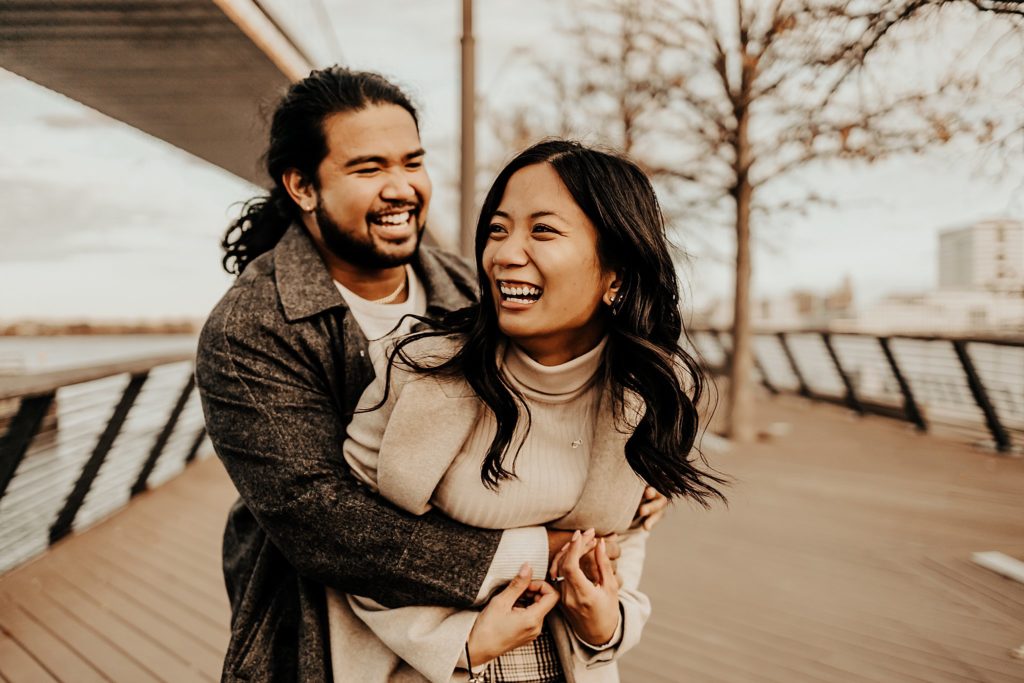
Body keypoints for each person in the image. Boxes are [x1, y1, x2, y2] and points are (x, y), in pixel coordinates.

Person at [195, 67, 668, 682]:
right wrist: (544, 553)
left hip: (523, 635)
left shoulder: (473, 288)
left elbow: (565, 407)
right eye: (368, 169)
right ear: (303, 187)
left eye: (412, 162)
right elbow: (325, 523)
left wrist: (635, 480)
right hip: (320, 629)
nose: (401, 188)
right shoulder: (250, 328)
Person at [326, 139, 727, 682]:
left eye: (542, 230)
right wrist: (459, 642)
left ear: (617, 273)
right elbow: (350, 542)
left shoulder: (646, 392)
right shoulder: (422, 372)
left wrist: (607, 624)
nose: (505, 254)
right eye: (497, 229)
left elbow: (623, 544)